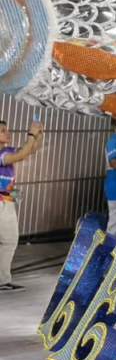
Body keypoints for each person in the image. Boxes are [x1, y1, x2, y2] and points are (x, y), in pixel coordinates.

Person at [0, 118, 44, 293]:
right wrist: (31, 134)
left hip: (6, 200)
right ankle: (2, 280)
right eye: (3, 130)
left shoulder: (5, 150)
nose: (7, 133)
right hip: (2, 203)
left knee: (7, 240)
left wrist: (38, 135)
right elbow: (21, 154)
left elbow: (30, 150)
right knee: (9, 240)